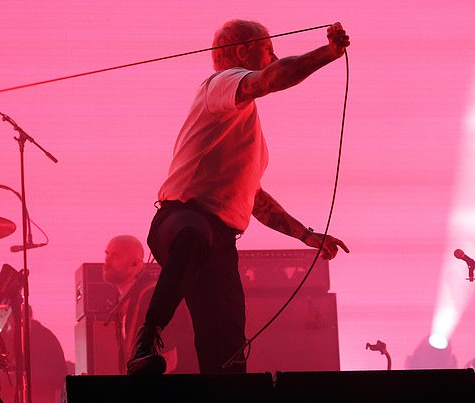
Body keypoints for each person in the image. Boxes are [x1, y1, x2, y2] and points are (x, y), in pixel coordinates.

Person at [127, 20, 351, 375]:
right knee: (193, 235)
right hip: (179, 218)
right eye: (268, 50)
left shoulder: (250, 138)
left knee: (227, 344)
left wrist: (305, 235)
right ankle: (147, 337)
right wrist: (328, 53)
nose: (274, 56)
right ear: (244, 52)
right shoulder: (219, 86)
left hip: (220, 239)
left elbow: (255, 199)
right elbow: (269, 80)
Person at [104, 235, 197, 374]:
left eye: (115, 256)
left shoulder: (153, 296)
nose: (107, 261)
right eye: (107, 254)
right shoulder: (123, 304)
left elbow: (169, 358)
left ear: (135, 264)